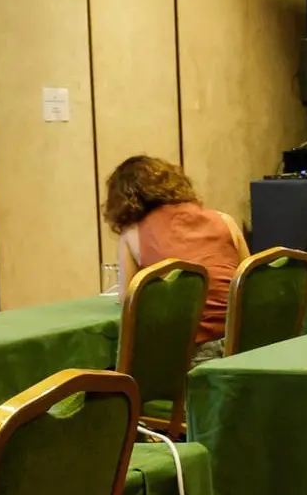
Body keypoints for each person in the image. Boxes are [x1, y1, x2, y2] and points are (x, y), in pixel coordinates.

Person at [102, 155, 249, 363]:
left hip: (189, 354)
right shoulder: (224, 220)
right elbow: (249, 282)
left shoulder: (132, 235)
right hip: (245, 345)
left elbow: (128, 300)